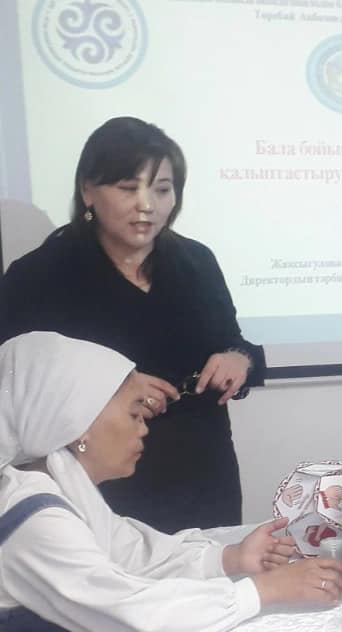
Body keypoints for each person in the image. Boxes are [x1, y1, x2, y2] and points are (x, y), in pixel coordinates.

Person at [0, 117, 265, 531]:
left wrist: (238, 359)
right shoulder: (39, 275)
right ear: (88, 191)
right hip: (100, 473)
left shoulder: (197, 262)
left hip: (203, 466)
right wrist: (112, 387)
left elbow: (233, 342)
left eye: (162, 189)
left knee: (215, 564)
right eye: (128, 188)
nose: (147, 205)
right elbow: (15, 386)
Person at [0, 331, 342, 632]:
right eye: (135, 414)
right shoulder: (33, 518)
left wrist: (231, 558)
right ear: (78, 423)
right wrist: (264, 590)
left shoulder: (62, 492)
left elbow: (135, 557)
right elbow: (129, 612)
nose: (143, 429)